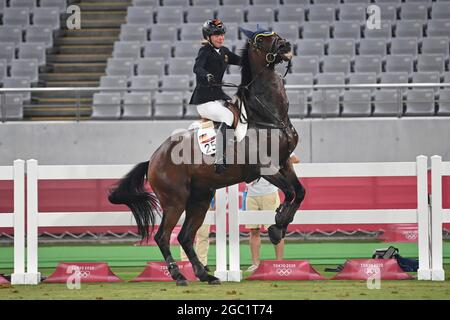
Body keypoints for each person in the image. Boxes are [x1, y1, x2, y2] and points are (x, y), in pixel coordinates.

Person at [189, 18, 241, 174]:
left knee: (240, 111)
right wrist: (207, 75)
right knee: (228, 117)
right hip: (205, 101)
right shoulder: (204, 51)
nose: (221, 38)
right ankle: (219, 158)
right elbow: (197, 68)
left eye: (222, 34)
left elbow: (240, 60)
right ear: (208, 37)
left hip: (219, 98)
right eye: (217, 35)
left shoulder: (224, 51)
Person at [244, 154, 301, 272]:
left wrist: (275, 165)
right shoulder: (249, 147)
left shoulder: (273, 146)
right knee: (254, 230)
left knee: (276, 230)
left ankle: (279, 263)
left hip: (269, 193)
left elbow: (295, 159)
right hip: (251, 194)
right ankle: (255, 264)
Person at [180, 196, 215, 272]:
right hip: (187, 202)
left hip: (205, 202)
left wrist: (214, 202)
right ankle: (186, 263)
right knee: (186, 236)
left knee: (203, 235)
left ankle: (202, 263)